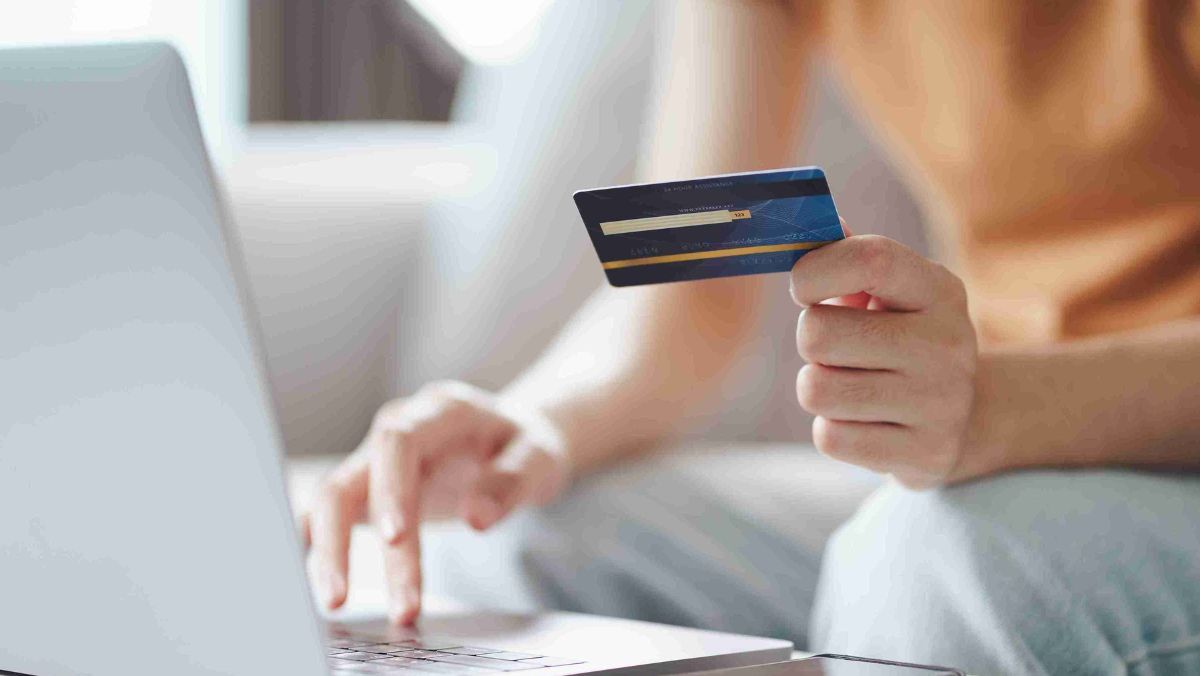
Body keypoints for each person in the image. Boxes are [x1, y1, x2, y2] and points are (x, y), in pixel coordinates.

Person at [300, 2, 1200, 672]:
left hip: (1144, 458)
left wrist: (999, 408)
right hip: (989, 457)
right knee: (505, 534)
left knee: (937, 564)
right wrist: (533, 427)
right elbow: (688, 304)